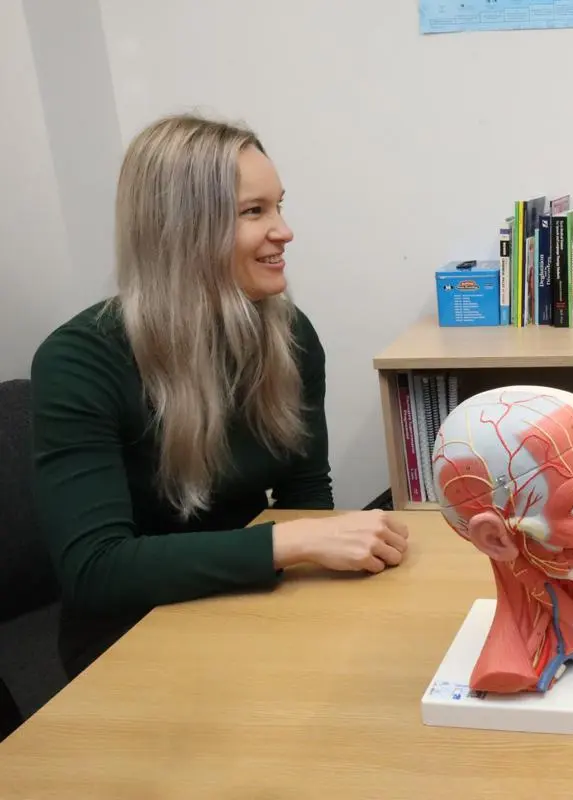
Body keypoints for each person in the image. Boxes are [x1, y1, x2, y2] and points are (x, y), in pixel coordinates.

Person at [29, 113, 409, 679]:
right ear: (182, 231)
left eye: (279, 205)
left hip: (254, 603)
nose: (284, 231)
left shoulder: (288, 333)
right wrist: (290, 541)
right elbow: (95, 569)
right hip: (132, 638)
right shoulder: (79, 360)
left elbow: (306, 488)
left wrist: (319, 558)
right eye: (255, 212)